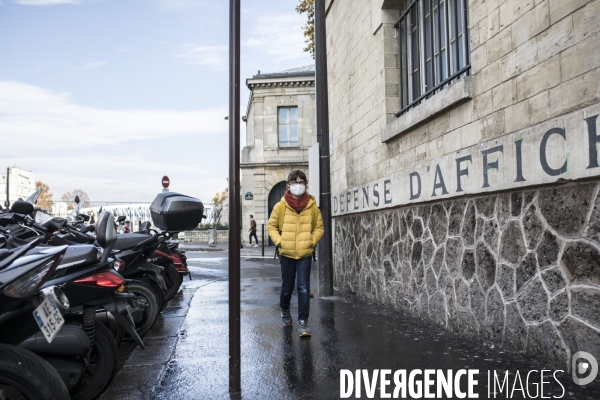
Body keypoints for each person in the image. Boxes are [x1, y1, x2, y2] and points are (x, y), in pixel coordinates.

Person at [267, 170, 324, 337]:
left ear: (305, 185)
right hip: (286, 253)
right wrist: (280, 241)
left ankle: (303, 322)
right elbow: (271, 227)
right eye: (294, 182)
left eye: (300, 182)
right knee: (287, 287)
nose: (297, 185)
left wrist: (311, 241)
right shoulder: (280, 206)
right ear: (288, 185)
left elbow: (319, 227)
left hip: (305, 254)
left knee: (304, 288)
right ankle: (285, 310)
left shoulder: (312, 206)